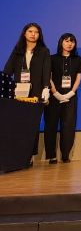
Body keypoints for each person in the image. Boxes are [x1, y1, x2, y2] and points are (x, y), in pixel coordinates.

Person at [3, 22, 51, 164]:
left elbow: (46, 70)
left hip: (36, 92)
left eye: (36, 32)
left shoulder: (44, 51)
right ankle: (18, 154)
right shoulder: (18, 50)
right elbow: (7, 70)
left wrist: (46, 88)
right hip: (19, 92)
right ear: (24, 33)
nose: (33, 34)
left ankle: (29, 156)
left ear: (39, 35)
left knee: (32, 125)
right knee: (18, 124)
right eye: (30, 31)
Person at [45, 33, 81, 164]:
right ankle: (51, 155)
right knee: (51, 125)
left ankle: (65, 154)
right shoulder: (52, 58)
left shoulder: (78, 60)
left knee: (68, 125)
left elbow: (78, 77)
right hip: (53, 96)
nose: (69, 44)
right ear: (61, 42)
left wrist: (71, 93)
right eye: (66, 41)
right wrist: (55, 93)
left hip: (70, 97)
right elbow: (48, 76)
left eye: (72, 41)